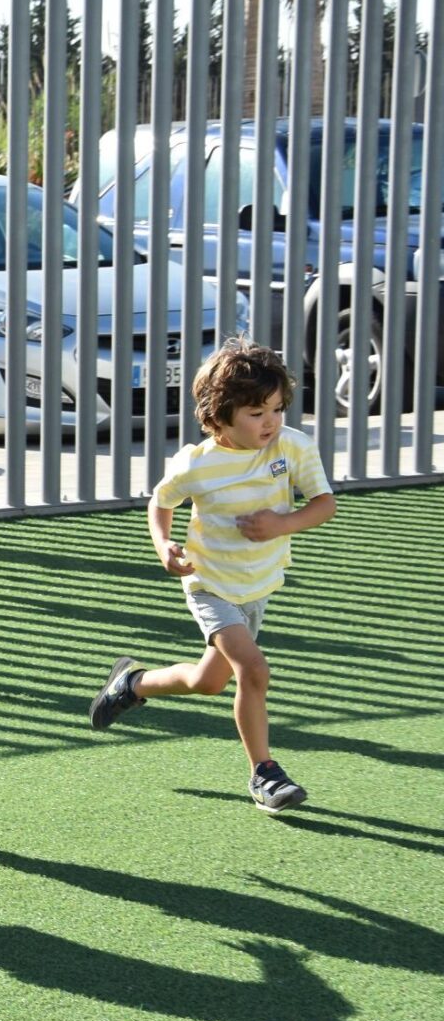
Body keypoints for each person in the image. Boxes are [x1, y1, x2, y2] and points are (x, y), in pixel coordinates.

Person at [89, 339, 335, 813]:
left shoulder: (292, 446)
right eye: (256, 412)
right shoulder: (197, 463)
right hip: (209, 582)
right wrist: (164, 546)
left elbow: (325, 504)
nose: (271, 422)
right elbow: (161, 503)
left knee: (209, 681)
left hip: (257, 583)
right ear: (218, 416)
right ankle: (265, 775)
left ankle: (132, 684)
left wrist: (282, 523)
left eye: (277, 409)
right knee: (254, 670)